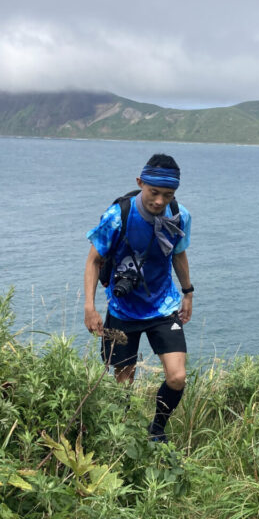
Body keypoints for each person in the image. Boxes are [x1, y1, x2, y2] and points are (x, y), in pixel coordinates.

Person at [83, 153, 194, 442]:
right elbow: (94, 261)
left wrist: (188, 293)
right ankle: (125, 437)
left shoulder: (179, 215)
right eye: (153, 192)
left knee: (177, 377)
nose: (159, 200)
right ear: (140, 182)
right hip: (123, 310)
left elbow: (179, 254)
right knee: (123, 386)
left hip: (164, 307)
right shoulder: (117, 216)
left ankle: (157, 429)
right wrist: (89, 307)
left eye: (167, 194)